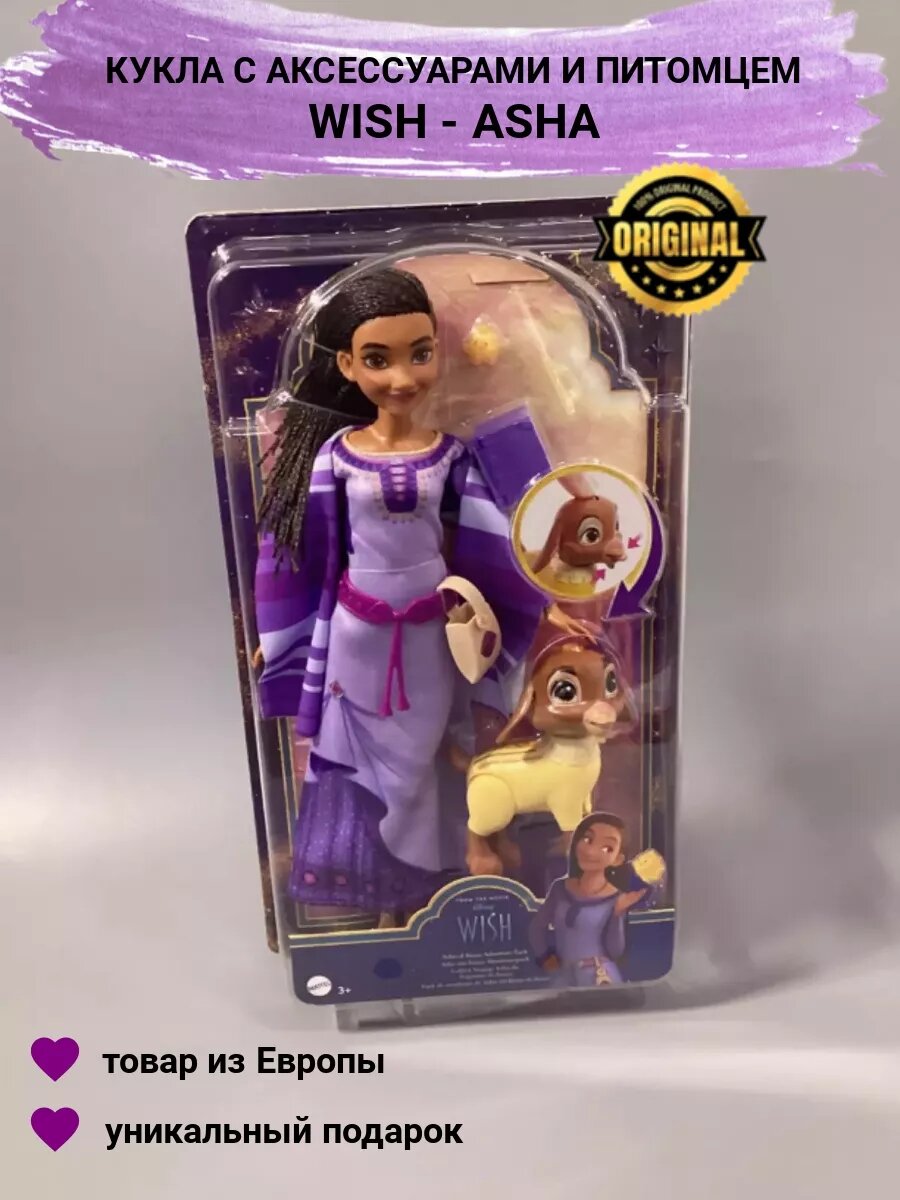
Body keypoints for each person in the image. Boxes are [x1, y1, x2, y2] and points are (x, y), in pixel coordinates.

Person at [253, 267, 538, 918]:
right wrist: (282, 638)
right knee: (352, 763)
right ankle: (366, 891)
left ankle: (414, 890)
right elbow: (302, 553)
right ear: (348, 365)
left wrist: (526, 584)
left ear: (437, 350)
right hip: (355, 637)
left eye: (420, 353)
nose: (402, 378)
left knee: (418, 764)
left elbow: (491, 537)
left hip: (431, 637)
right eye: (378, 360)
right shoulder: (334, 459)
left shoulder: (449, 456)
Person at [528, 812, 648, 986]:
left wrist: (617, 914)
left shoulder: (616, 898)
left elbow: (615, 951)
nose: (591, 851)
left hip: (599, 977)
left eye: (607, 848)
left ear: (618, 859)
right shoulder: (560, 888)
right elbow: (536, 927)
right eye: (587, 840)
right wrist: (544, 956)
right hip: (562, 977)